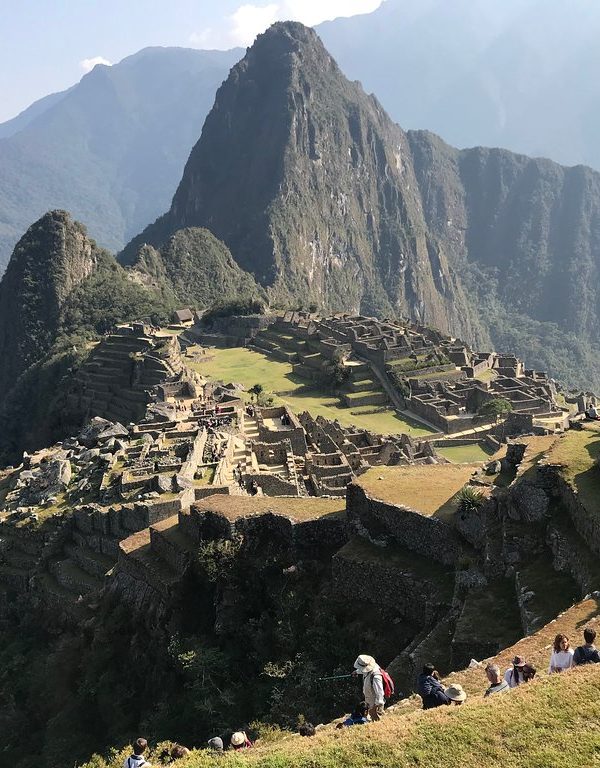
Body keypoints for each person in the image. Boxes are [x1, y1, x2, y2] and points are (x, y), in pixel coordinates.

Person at [353, 655, 385, 721]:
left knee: (378, 722)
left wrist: (374, 709)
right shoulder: (370, 668)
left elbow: (380, 694)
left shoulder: (376, 677)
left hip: (375, 705)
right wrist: (356, 672)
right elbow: (364, 670)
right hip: (370, 703)